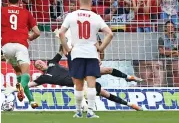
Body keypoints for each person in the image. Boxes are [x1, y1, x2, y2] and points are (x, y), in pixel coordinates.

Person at [3, 49, 142, 111]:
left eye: (40, 62)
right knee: (105, 94)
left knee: (107, 70)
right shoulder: (43, 78)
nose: (40, 64)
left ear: (44, 62)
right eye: (37, 65)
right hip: (80, 84)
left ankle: (128, 77)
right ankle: (130, 105)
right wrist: (15, 88)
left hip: (81, 73)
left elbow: (60, 50)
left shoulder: (52, 62)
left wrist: (60, 36)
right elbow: (30, 84)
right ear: (38, 69)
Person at [59, 0, 113, 118]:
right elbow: (110, 34)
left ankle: (78, 111)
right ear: (91, 3)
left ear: (79, 2)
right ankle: (90, 111)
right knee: (91, 84)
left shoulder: (71, 16)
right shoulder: (96, 17)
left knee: (78, 85)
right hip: (92, 54)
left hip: (76, 53)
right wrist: (100, 48)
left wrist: (67, 48)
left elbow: (61, 33)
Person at [1, 0, 40, 108]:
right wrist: (29, 37)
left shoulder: (2, 10)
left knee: (19, 75)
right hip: (20, 45)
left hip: (6, 47)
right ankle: (17, 89)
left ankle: (32, 101)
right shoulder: (26, 12)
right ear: (20, 2)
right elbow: (37, 32)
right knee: (26, 75)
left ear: (7, 1)